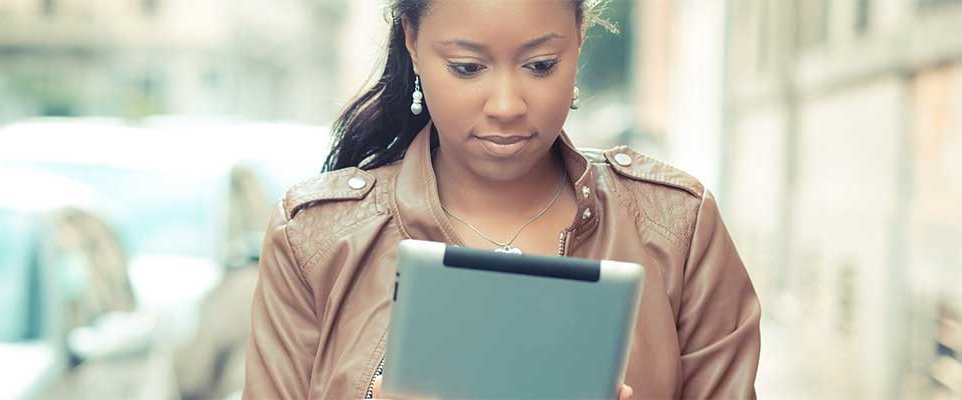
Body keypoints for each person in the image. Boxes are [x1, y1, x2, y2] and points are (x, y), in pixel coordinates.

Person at [244, 1, 761, 399]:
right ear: (412, 42)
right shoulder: (312, 240)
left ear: (578, 39)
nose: (508, 106)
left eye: (540, 65)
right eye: (468, 67)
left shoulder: (678, 227)